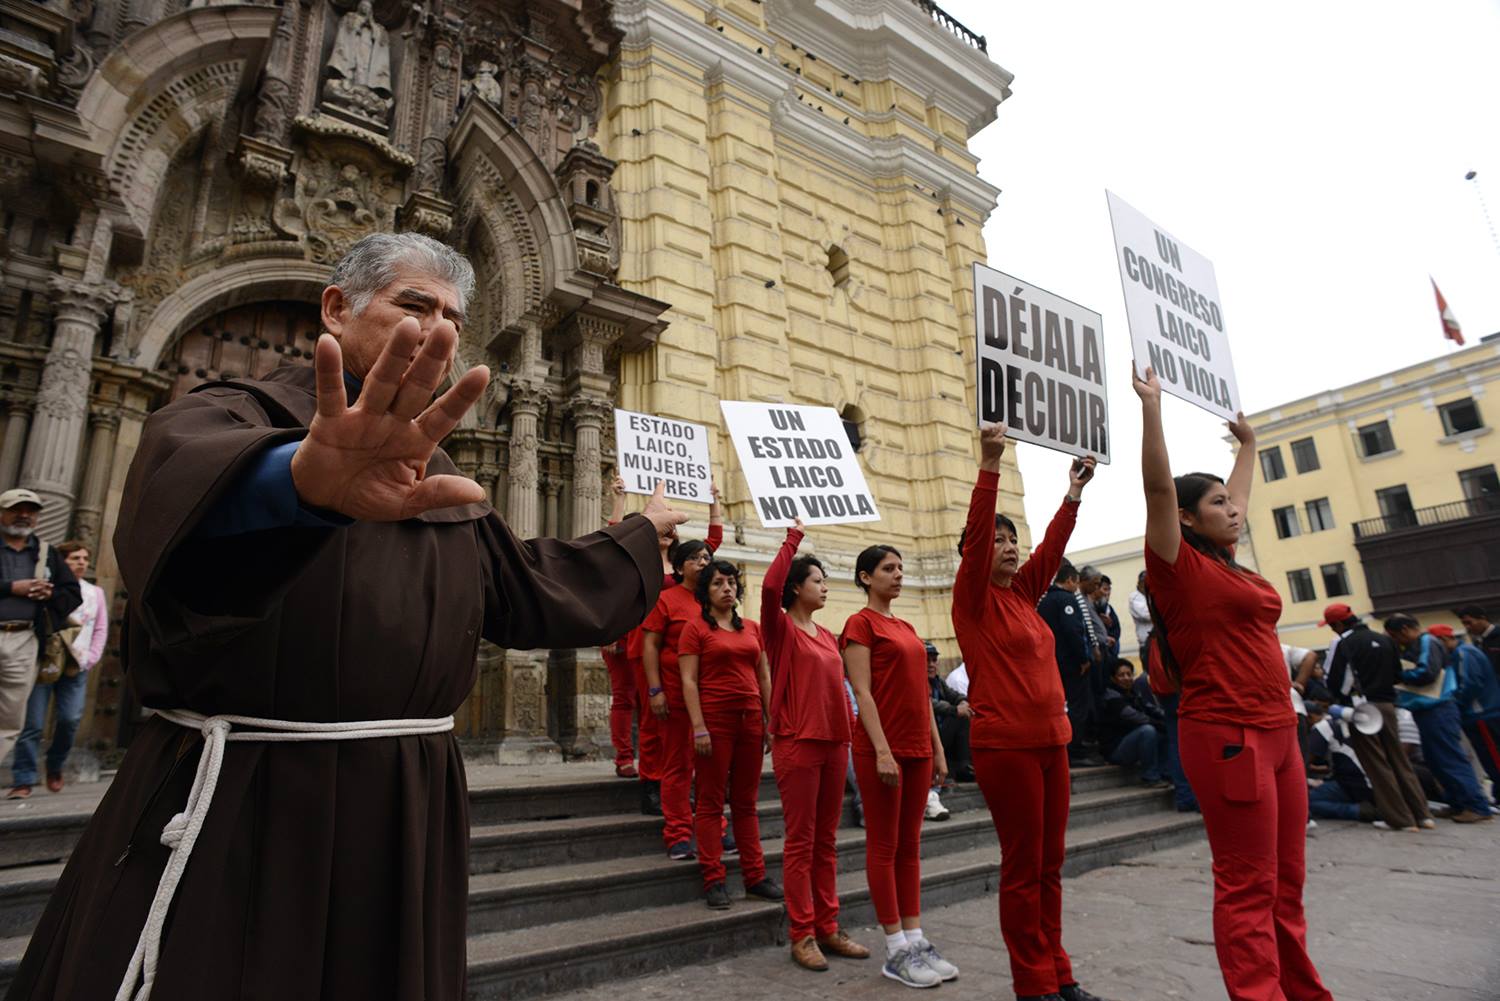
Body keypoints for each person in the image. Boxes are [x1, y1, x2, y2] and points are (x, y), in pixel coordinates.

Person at [7, 233, 688, 1001]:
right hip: (245, 799)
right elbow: (184, 523)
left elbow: (528, 586)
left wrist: (638, 536)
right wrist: (298, 486)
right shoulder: (225, 413)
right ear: (337, 308)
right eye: (416, 304)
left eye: (455, 317)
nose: (440, 329)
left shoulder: (440, 478)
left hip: (402, 803)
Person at [1133, 364, 1333, 1001]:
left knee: (1287, 881)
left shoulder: (1236, 568)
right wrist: (1153, 409)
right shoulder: (1177, 568)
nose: (1233, 510)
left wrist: (1248, 445)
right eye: (1216, 503)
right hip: (1229, 734)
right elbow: (1160, 492)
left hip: (1280, 734)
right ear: (1189, 520)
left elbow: (1236, 498)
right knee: (1248, 884)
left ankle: (1303, 992)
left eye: (1231, 500)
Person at [952, 425, 1108, 1001]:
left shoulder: (1023, 596)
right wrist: (990, 462)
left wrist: (1073, 493)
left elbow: (1050, 550)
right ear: (975, 551)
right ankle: (1033, 983)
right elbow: (977, 537)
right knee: (1023, 867)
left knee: (1050, 864)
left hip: (1051, 743)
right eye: (998, 541)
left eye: (1012, 538)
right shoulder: (973, 599)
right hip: (1007, 748)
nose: (1010, 546)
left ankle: (1060, 973)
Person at [844, 543, 954, 989]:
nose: (899, 574)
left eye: (901, 567)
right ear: (867, 577)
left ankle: (916, 937)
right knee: (884, 845)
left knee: (910, 846)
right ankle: (895, 948)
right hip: (880, 751)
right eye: (888, 568)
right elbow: (862, 693)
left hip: (916, 749)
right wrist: (883, 749)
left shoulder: (907, 626)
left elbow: (923, 696)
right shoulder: (859, 624)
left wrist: (939, 749)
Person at [761, 520, 868, 970]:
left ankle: (828, 926)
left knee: (827, 842)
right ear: (796, 588)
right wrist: (792, 540)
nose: (825, 588)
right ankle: (801, 933)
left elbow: (845, 689)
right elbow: (767, 590)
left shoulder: (828, 636)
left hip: (834, 743)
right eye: (817, 581)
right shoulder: (780, 629)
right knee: (801, 841)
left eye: (824, 581)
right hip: (798, 743)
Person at [678, 558, 782, 909]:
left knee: (746, 803)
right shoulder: (694, 629)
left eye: (731, 583)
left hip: (751, 721)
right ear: (705, 592)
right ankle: (713, 877)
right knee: (709, 803)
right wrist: (698, 728)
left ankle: (755, 876)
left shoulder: (751, 628)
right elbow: (688, 681)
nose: (727, 588)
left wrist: (771, 721)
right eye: (718, 583)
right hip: (715, 722)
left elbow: (764, 677)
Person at [614, 485, 723, 806]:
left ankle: (679, 780)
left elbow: (711, 545)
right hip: (644, 644)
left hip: (684, 653)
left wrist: (714, 502)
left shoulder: (684, 564)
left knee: (683, 721)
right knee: (651, 718)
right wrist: (620, 500)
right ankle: (651, 782)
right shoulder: (636, 560)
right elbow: (613, 544)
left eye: (672, 528)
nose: (669, 530)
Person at [1321, 604, 1433, 832]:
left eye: (1333, 626)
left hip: (1362, 708)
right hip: (1388, 705)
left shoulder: (1343, 643)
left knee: (1377, 764)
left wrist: (1340, 700)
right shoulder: (1385, 640)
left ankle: (1401, 819)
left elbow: (1335, 679)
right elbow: (1396, 674)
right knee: (1399, 760)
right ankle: (1422, 815)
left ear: (1339, 624)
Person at [1, 489, 82, 798]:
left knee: (10, 716)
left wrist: (49, 596)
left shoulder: (46, 552)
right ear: (2, 512)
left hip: (24, 639)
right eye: (16, 509)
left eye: (30, 510)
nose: (24, 515)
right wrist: (13, 587)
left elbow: (71, 593)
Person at [12, 539, 108, 797]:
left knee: (69, 718)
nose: (81, 563)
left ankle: (54, 765)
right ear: (62, 563)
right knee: (32, 722)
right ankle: (24, 778)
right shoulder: (47, 589)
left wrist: (92, 657)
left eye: (85, 559)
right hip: (45, 660)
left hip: (77, 663)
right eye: (75, 558)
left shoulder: (94, 592)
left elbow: (100, 628)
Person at [643, 537, 717, 860]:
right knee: (677, 766)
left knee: (712, 769)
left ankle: (717, 829)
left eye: (707, 557)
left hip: (712, 699)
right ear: (680, 565)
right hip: (674, 696)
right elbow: (650, 647)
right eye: (696, 558)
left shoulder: (715, 601)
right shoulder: (667, 600)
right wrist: (655, 690)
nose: (703, 563)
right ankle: (678, 833)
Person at [1383, 614, 1492, 822]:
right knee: (1436, 760)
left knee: (1449, 757)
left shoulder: (1427, 642)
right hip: (1426, 710)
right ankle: (1457, 802)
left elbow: (1427, 672)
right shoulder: (1416, 645)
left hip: (1438, 708)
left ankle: (1476, 806)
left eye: (1396, 636)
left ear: (1405, 629)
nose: (1397, 641)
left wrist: (1398, 676)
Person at [1037, 561, 1099, 767]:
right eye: (1077, 582)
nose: (1078, 587)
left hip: (1052, 663)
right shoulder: (1066, 600)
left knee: (1061, 706)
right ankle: (1074, 749)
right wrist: (1083, 658)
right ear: (1070, 580)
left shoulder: (1045, 602)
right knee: (1076, 707)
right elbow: (1073, 631)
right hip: (1071, 664)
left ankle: (1065, 747)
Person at [1430, 623, 1500, 798]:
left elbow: (1470, 685)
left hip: (1481, 713)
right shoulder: (1460, 654)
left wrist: (1453, 703)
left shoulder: (1464, 654)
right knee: (1489, 757)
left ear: (1444, 639)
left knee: (1493, 755)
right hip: (1478, 714)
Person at [1098, 661, 1169, 787]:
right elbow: (1134, 716)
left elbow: (1150, 708)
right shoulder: (1111, 697)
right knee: (1148, 730)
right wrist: (1157, 723)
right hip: (1116, 750)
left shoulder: (1134, 693)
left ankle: (1165, 773)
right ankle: (1150, 777)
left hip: (1130, 743)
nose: (1126, 678)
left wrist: (1168, 717)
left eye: (1129, 674)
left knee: (1164, 733)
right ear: (1113, 678)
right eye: (1121, 675)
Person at [1303, 706, 1376, 823]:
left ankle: (1358, 811)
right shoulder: (1347, 724)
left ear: (1309, 717)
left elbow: (1304, 762)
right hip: (1373, 786)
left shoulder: (1323, 727)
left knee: (1304, 801)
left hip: (1352, 785)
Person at [927, 642, 973, 783]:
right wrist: (955, 710)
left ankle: (963, 765)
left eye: (934, 660)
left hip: (942, 735)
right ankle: (962, 766)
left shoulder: (938, 682)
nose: (931, 665)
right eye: (926, 661)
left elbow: (956, 696)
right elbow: (931, 705)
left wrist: (963, 702)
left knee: (966, 714)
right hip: (929, 737)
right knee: (958, 717)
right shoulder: (916, 683)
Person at [1456, 605, 1500, 670]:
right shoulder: (1478, 642)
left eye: (1469, 622)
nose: (1467, 627)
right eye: (1464, 623)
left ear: (1483, 618)